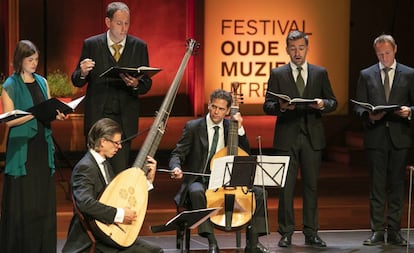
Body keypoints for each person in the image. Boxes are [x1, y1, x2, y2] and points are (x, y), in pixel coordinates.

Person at [170, 89, 270, 253]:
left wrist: (240, 129)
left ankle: (253, 244)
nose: (216, 111)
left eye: (221, 109)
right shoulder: (193, 127)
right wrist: (176, 167)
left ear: (228, 111)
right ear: (209, 105)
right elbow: (177, 153)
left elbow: (245, 154)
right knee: (196, 192)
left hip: (228, 180)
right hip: (202, 180)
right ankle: (212, 242)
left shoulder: (231, 127)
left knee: (260, 193)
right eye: (213, 106)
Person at [263, 30, 337, 248]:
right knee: (286, 188)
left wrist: (322, 104)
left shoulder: (319, 73)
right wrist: (281, 107)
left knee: (311, 187)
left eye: (301, 48)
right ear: (287, 50)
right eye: (293, 48)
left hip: (312, 138)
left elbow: (333, 101)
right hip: (287, 138)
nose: (297, 52)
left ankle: (311, 232)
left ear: (307, 48)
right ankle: (286, 233)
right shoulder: (278, 74)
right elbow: (267, 105)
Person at [0, 40, 66, 253]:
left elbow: (46, 108)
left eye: (36, 59)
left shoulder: (42, 82)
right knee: (24, 202)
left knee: (41, 202)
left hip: (41, 147)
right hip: (22, 150)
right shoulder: (10, 85)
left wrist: (58, 114)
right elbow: (9, 120)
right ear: (20, 60)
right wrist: (33, 113)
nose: (34, 63)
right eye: (30, 60)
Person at [71, 1, 152, 174]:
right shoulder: (91, 44)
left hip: (124, 120)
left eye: (127, 23)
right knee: (94, 171)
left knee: (119, 172)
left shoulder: (139, 46)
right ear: (108, 22)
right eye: (119, 23)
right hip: (97, 119)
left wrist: (137, 84)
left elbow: (147, 83)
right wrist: (83, 72)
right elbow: (77, 80)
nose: (124, 28)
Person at [62, 118, 163, 253]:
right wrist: (120, 214)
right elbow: (85, 203)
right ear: (103, 141)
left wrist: (148, 181)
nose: (120, 146)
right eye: (116, 143)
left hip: (108, 233)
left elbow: (115, 197)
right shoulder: (85, 167)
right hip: (93, 240)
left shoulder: (105, 164)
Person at [355, 34, 414, 246]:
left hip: (399, 136)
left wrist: (409, 111)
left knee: (397, 185)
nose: (384, 57)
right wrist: (368, 115)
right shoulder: (366, 74)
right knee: (377, 186)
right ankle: (377, 230)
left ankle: (395, 230)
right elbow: (358, 106)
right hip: (376, 136)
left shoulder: (409, 74)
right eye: (380, 54)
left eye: (387, 53)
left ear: (395, 49)